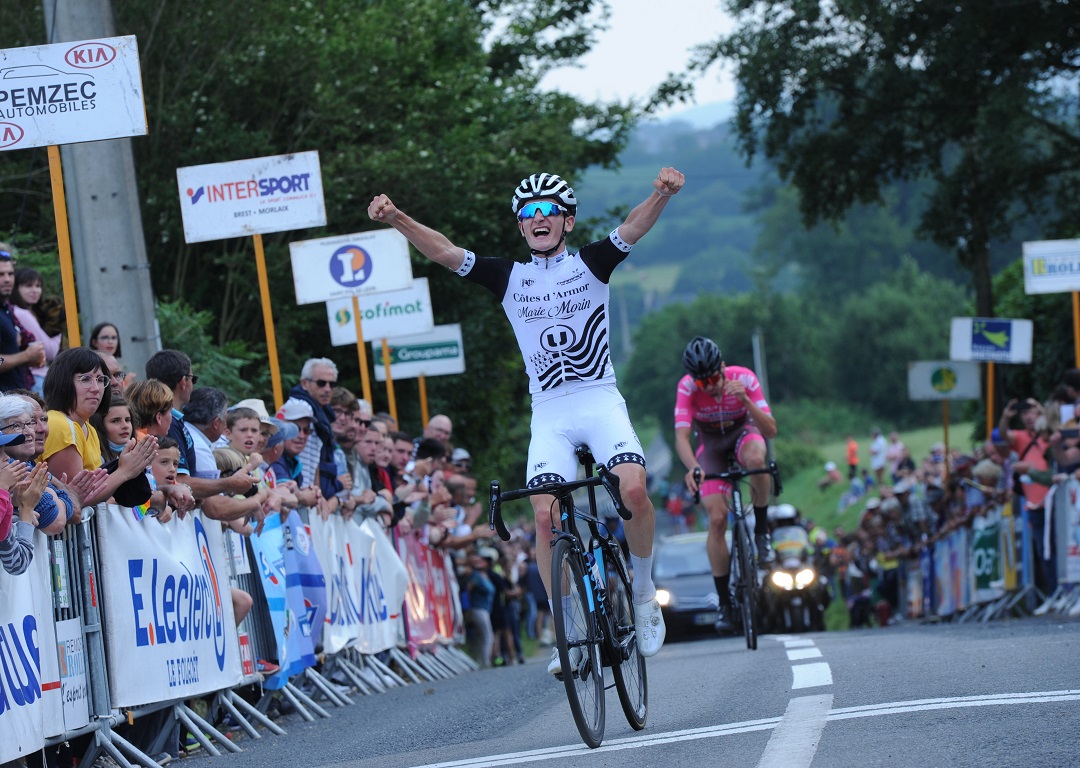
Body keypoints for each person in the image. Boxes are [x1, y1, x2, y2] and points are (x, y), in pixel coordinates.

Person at [369, 167, 685, 668]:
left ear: (567, 222)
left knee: (634, 490)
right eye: (529, 213)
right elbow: (445, 251)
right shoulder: (508, 277)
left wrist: (660, 194)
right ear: (521, 226)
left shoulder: (591, 264)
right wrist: (397, 218)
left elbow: (634, 226)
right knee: (544, 515)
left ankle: (644, 595)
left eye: (548, 211)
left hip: (599, 398)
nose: (538, 218)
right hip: (551, 412)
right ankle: (567, 629)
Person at [674, 335, 778, 633]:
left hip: (743, 434)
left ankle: (760, 532)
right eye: (702, 383)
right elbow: (682, 437)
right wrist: (693, 468)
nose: (710, 386)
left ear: (723, 367)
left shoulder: (743, 376)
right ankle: (724, 603)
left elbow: (770, 430)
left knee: (757, 459)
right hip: (710, 446)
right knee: (717, 519)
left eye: (714, 379)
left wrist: (745, 399)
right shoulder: (687, 387)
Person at [41, 348, 156, 507]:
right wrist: (125, 471)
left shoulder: (89, 429)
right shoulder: (59, 424)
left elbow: (93, 493)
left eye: (101, 379)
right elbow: (74, 501)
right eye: (86, 379)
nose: (96, 388)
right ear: (63, 381)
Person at [0, 245, 46, 392]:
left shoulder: (6, 308)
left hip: (17, 394)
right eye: (0, 274)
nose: (7, 279)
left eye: (10, 274)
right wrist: (26, 356)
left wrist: (31, 358)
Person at [11, 268, 63, 395]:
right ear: (16, 288)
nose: (35, 290)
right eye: (28, 286)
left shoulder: (15, 311)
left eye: (38, 286)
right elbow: (51, 351)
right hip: (36, 379)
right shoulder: (22, 314)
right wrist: (59, 326)